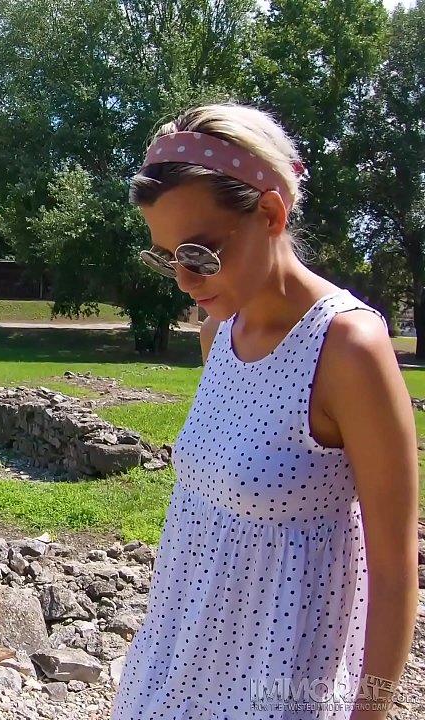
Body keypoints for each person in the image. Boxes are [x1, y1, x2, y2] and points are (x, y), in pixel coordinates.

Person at [111, 102, 419, 719]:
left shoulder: (348, 349)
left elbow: (394, 569)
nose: (183, 279)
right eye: (166, 256)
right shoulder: (216, 333)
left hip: (280, 685)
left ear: (271, 213)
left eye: (198, 254)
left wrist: (372, 713)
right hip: (176, 662)